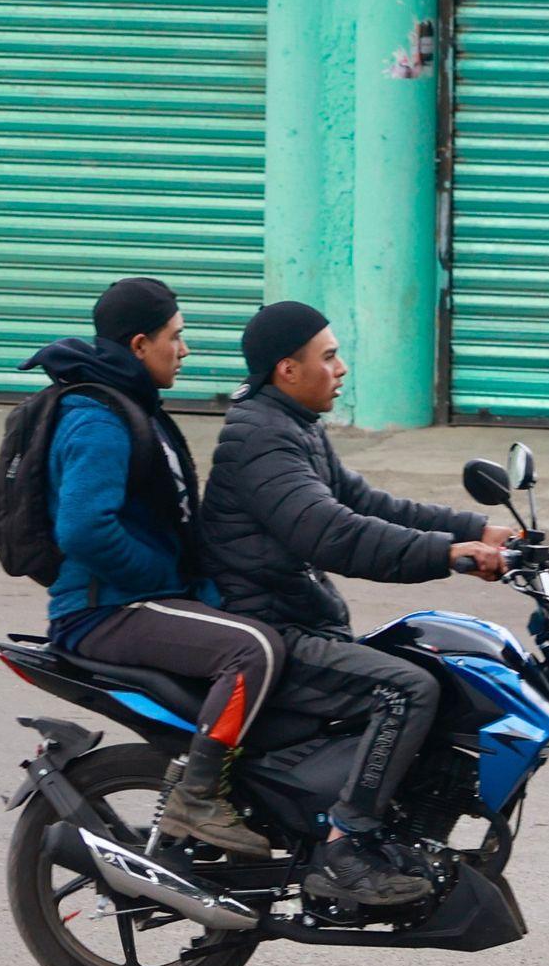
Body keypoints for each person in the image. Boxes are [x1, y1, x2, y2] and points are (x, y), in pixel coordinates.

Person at [198, 301, 509, 910]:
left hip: (303, 616)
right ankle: (346, 844)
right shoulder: (259, 439)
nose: (341, 368)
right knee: (408, 689)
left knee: (439, 670)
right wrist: (452, 555)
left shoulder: (293, 427)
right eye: (329, 356)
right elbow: (332, 532)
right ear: (288, 369)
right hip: (275, 627)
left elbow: (370, 505)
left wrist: (479, 529)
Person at [33, 276, 284, 860]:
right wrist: (158, 578)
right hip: (104, 610)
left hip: (127, 599)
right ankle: (197, 798)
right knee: (253, 650)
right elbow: (83, 528)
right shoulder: (97, 418)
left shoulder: (126, 403)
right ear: (141, 343)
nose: (186, 350)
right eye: (177, 336)